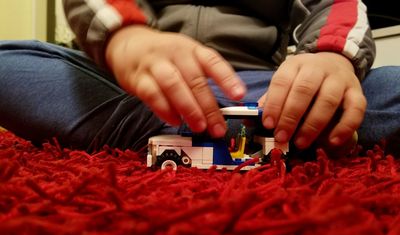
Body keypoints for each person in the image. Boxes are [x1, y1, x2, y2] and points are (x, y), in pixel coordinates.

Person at [0, 0, 399, 157]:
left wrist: (330, 57)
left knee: (383, 87)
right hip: (135, 89)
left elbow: (334, 4)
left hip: (262, 89)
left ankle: (197, 134)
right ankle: (272, 137)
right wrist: (126, 38)